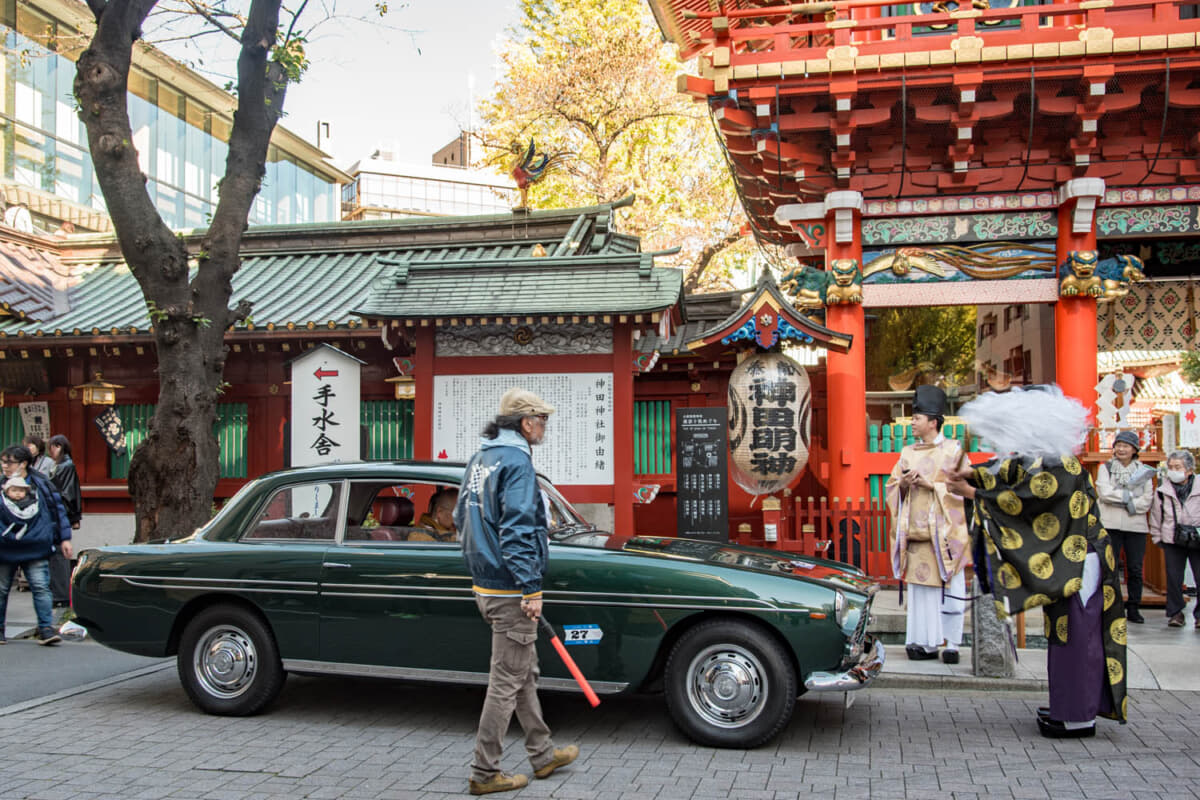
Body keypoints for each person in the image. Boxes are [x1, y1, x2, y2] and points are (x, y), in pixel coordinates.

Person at [948, 385, 1127, 739]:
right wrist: (975, 476)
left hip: (1081, 559)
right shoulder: (1045, 456)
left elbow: (1027, 497)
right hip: (1069, 557)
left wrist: (974, 493)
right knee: (1063, 635)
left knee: (1076, 638)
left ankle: (1078, 717)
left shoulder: (1061, 463)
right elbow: (1011, 473)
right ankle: (1067, 705)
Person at [455, 388, 578, 795]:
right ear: (526, 423)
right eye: (542, 420)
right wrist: (530, 588)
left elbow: (460, 517)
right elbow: (520, 527)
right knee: (506, 680)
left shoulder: (481, 458)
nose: (544, 427)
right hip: (510, 587)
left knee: (522, 670)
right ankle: (485, 772)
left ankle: (541, 754)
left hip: (484, 582)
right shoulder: (517, 462)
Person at [885, 385, 971, 663]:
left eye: (917, 418)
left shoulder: (953, 451)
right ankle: (924, 642)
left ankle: (952, 644)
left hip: (944, 535)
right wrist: (904, 485)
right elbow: (891, 486)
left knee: (951, 588)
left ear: (933, 421)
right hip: (918, 535)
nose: (912, 422)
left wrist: (932, 485)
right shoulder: (907, 453)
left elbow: (964, 488)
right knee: (922, 591)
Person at [0, 445, 72, 645]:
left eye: (9, 462)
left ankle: (46, 629)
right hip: (5, 545)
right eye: (3, 462)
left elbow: (58, 511)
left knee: (41, 586)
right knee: (1, 588)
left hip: (36, 543)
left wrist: (64, 538)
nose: (5, 466)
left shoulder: (41, 483)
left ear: (23, 463)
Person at [1095, 430, 1154, 623]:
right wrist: (1129, 499)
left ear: (1134, 449)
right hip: (1110, 524)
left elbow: (1146, 501)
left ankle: (1134, 606)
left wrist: (1120, 499)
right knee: (1109, 566)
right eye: (1118, 445)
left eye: (1125, 445)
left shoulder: (1144, 471)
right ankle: (1111, 605)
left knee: (1135, 568)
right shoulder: (1107, 468)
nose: (1121, 449)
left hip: (1135, 525)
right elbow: (1104, 493)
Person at [1149, 449, 1200, 628]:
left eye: (1177, 467)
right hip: (1172, 538)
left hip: (1197, 538)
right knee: (1173, 578)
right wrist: (1157, 537)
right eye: (1170, 467)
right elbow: (1156, 516)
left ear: (1189, 470)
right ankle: (1175, 613)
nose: (1173, 470)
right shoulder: (1163, 490)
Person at [46, 435, 82, 606]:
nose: (50, 451)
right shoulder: (62, 465)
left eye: (52, 447)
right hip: (62, 513)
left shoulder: (65, 466)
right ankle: (59, 593)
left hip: (60, 513)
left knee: (59, 555)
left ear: (59, 446)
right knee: (57, 555)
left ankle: (60, 595)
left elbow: (65, 493)